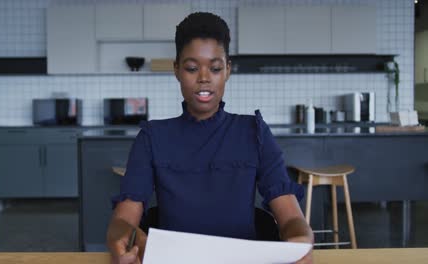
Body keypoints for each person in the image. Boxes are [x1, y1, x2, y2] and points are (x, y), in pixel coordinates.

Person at [106, 12, 313, 264]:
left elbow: (291, 217)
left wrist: (301, 238)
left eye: (215, 68)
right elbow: (124, 218)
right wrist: (121, 237)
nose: (204, 77)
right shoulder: (152, 137)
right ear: (176, 70)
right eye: (192, 68)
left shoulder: (254, 132)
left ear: (227, 70)